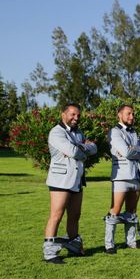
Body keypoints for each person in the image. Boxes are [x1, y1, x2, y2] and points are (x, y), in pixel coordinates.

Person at [43, 103, 97, 264]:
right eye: (72, 114)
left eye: (78, 115)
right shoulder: (56, 132)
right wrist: (82, 147)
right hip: (61, 179)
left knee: (75, 215)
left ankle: (73, 246)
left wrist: (81, 147)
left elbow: (93, 148)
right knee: (56, 215)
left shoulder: (78, 133)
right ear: (63, 114)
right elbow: (73, 152)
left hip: (77, 180)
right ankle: (50, 253)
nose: (76, 118)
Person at [104, 104, 140, 253]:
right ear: (119, 115)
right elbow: (126, 153)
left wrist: (135, 149)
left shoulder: (134, 133)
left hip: (136, 176)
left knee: (132, 211)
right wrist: (136, 152)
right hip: (120, 177)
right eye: (128, 114)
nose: (132, 117)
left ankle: (131, 241)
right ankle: (109, 244)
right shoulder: (114, 132)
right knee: (115, 211)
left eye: (133, 114)